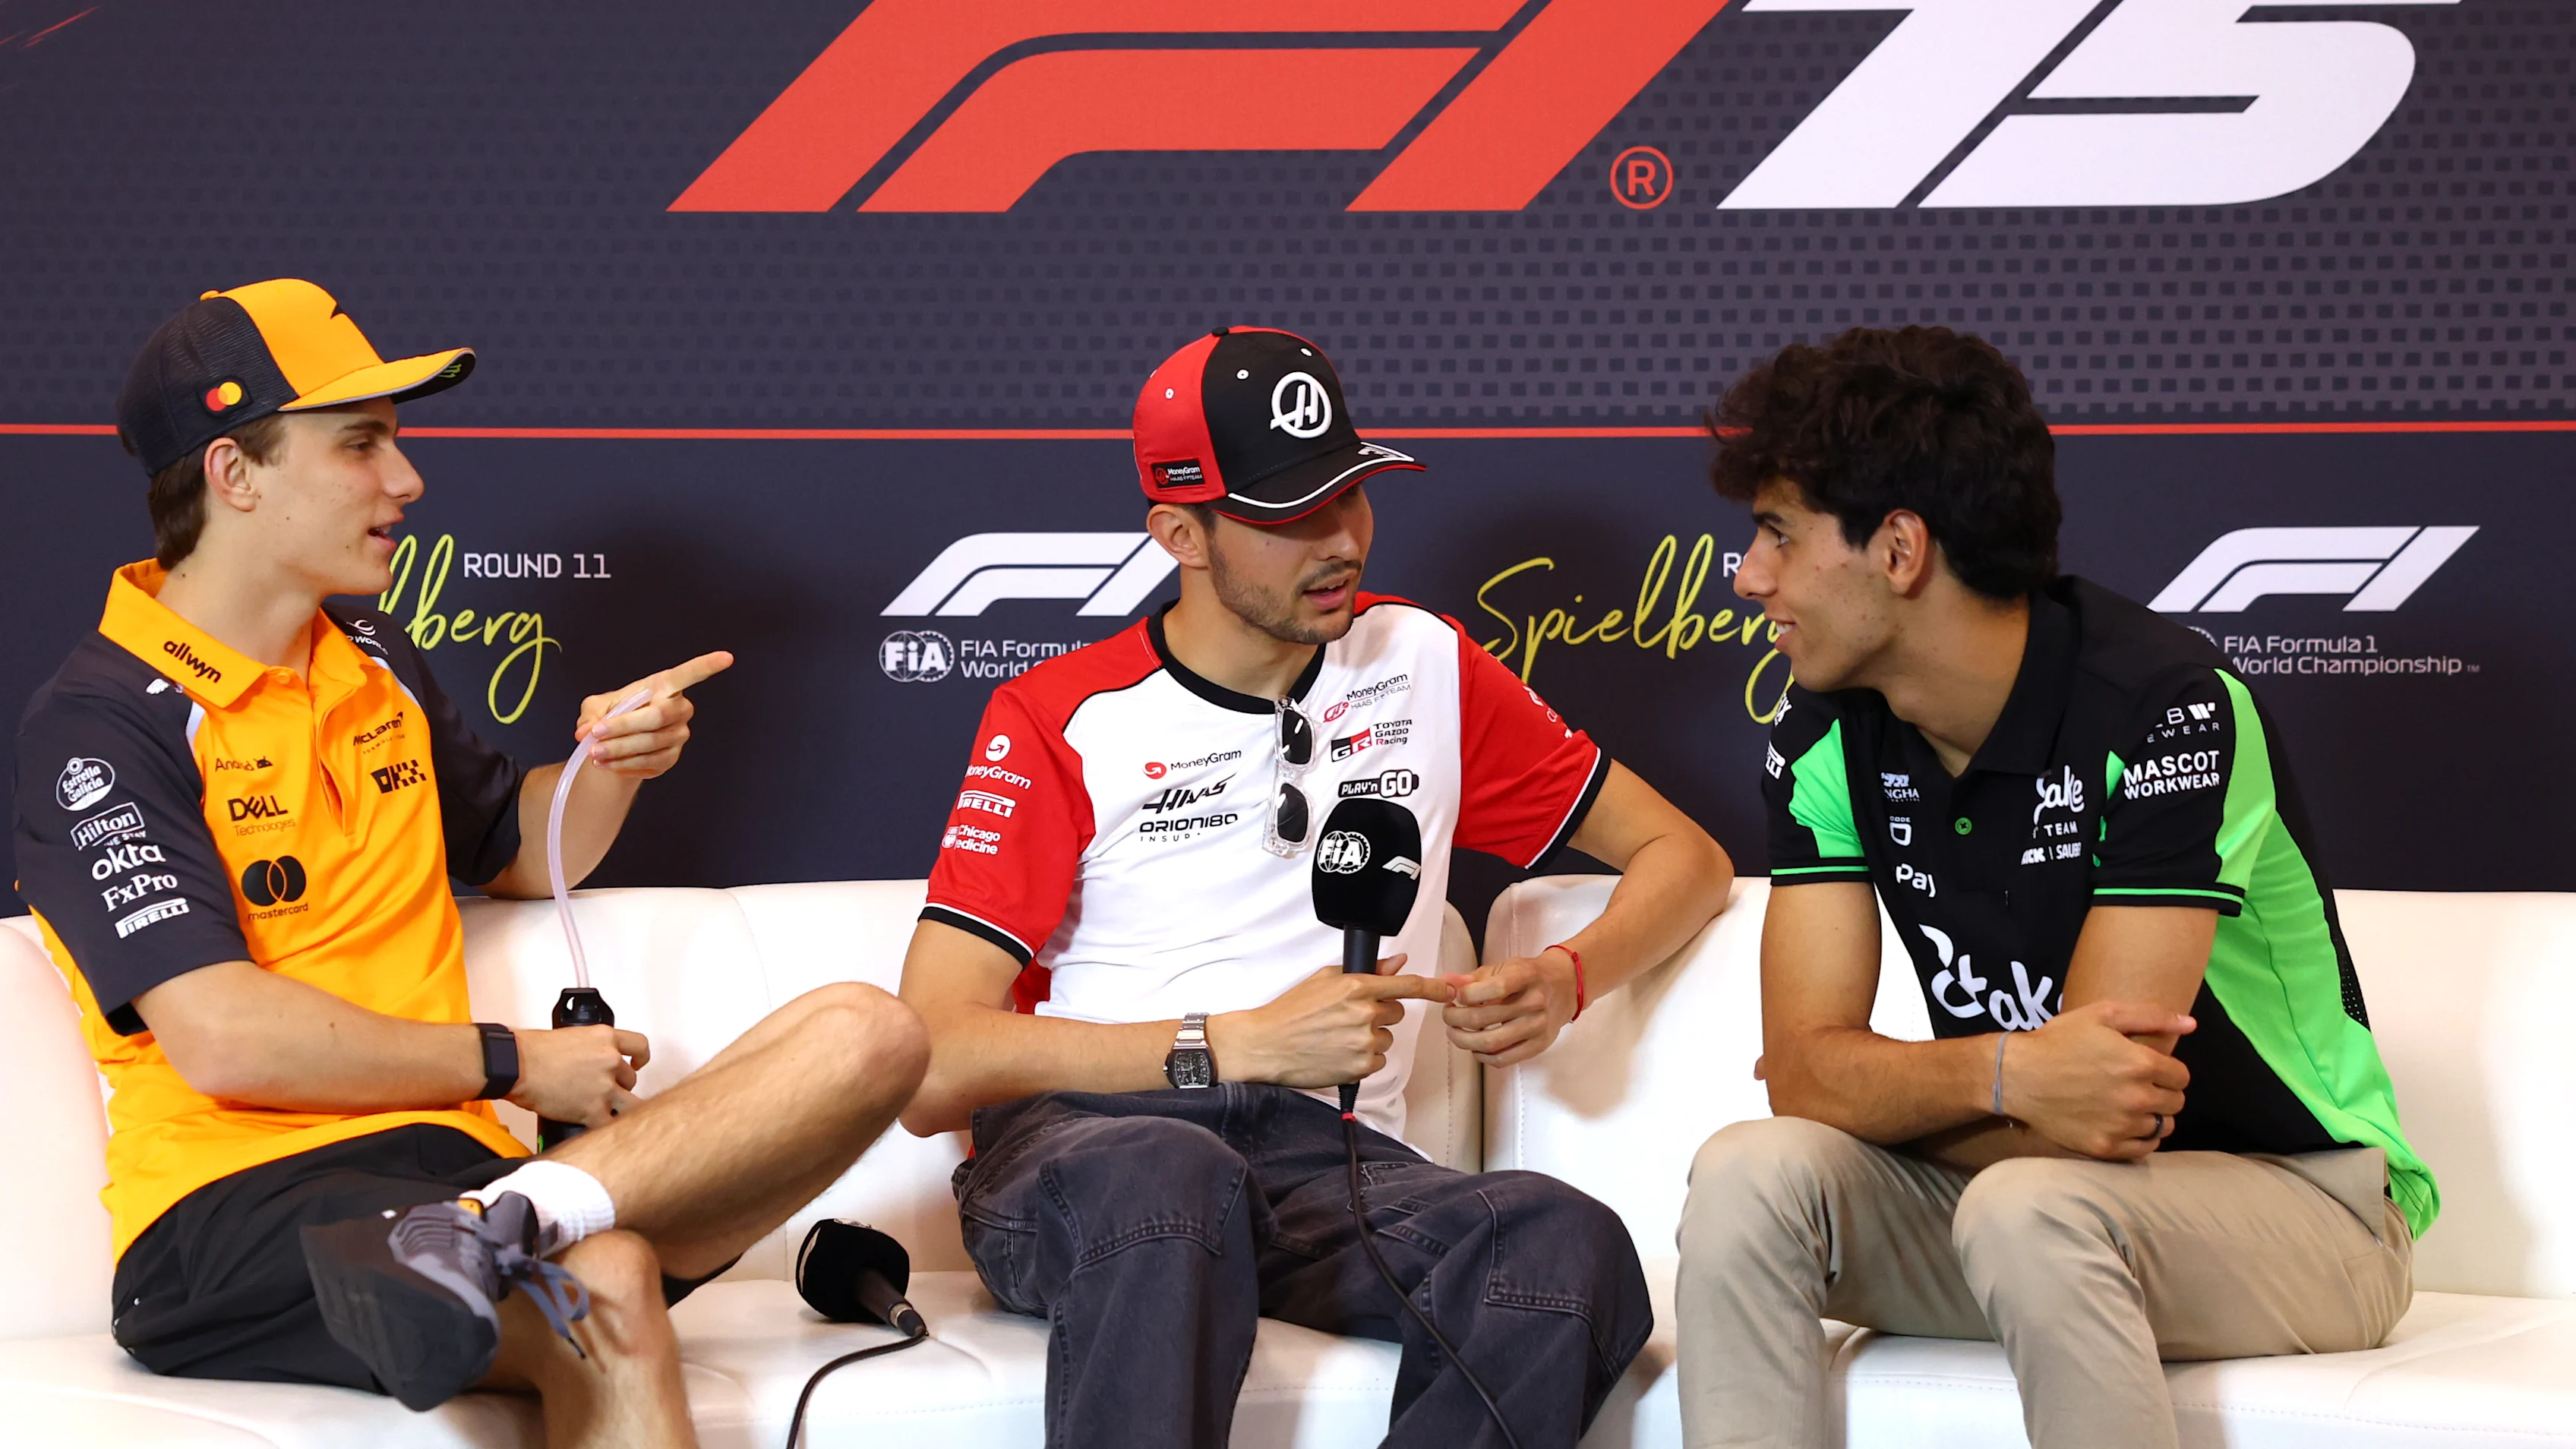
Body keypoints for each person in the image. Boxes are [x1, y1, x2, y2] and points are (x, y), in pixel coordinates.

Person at [11, 279, 927, 1447]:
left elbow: (519, 853)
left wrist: (609, 764)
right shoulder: (99, 723)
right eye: (361, 444)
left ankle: (500, 1220)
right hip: (232, 1210)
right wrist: (512, 1061)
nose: (407, 480)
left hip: (449, 1176)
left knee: (870, 1033)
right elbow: (222, 1035)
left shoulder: (375, 655)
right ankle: (496, 1225)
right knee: (608, 1285)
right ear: (234, 475)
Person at [897, 326, 1734, 1448]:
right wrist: (1229, 1044)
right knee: (1169, 1172)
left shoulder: (1423, 663)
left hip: (1322, 1169)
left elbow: (1687, 857)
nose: (1341, 541)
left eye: (1351, 495)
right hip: (1090, 1152)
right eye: (1291, 516)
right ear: (1180, 533)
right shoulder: (1063, 716)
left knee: (1561, 1247)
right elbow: (929, 1062)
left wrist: (1568, 975)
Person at [1672, 327, 2432, 1449]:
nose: (1750, 575)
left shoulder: (2168, 706)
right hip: (2016, 1199)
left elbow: (2104, 1120)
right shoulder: (1824, 732)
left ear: (1898, 548)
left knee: (2036, 1208)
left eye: (1779, 533)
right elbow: (1805, 1078)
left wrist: (1890, 1088)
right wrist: (2004, 1072)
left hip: (2306, 1206)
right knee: (1746, 1175)